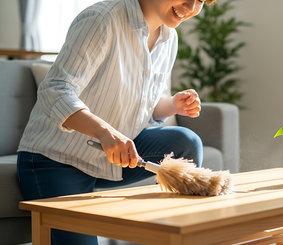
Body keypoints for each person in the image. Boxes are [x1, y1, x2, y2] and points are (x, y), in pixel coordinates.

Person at [16, 0, 215, 244]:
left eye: (202, 0)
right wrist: (104, 132)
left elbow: (144, 105)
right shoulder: (102, 19)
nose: (192, 6)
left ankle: (181, 234)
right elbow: (55, 90)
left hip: (114, 156)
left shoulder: (168, 37)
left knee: (186, 142)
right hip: (57, 160)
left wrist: (173, 104)